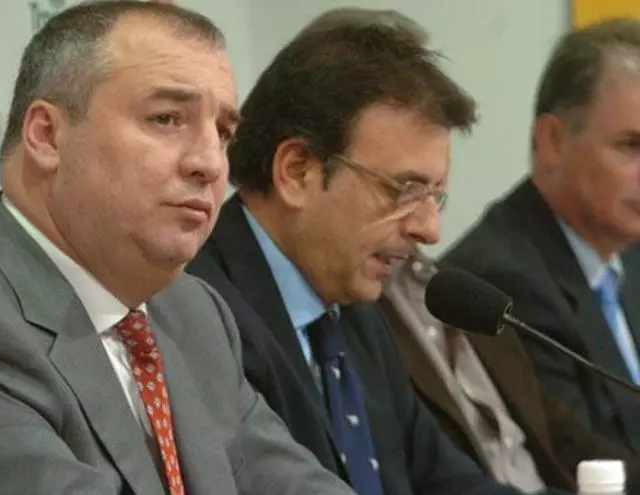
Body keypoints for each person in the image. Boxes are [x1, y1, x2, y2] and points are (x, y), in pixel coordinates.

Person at [0, 3, 354, 494]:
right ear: (47, 136)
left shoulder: (194, 314)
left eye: (223, 132)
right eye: (166, 119)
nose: (209, 162)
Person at [186, 7, 543, 495]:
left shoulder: (354, 313)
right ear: (297, 171)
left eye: (435, 197)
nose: (430, 230)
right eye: (405, 190)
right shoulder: (201, 313)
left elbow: (446, 482)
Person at [443, 17, 640, 453]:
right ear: (553, 141)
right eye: (630, 146)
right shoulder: (502, 281)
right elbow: (581, 461)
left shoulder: (629, 252)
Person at [380, 248, 638, 492]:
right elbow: (441, 478)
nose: (432, 231)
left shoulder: (466, 292)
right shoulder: (368, 321)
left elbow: (559, 432)